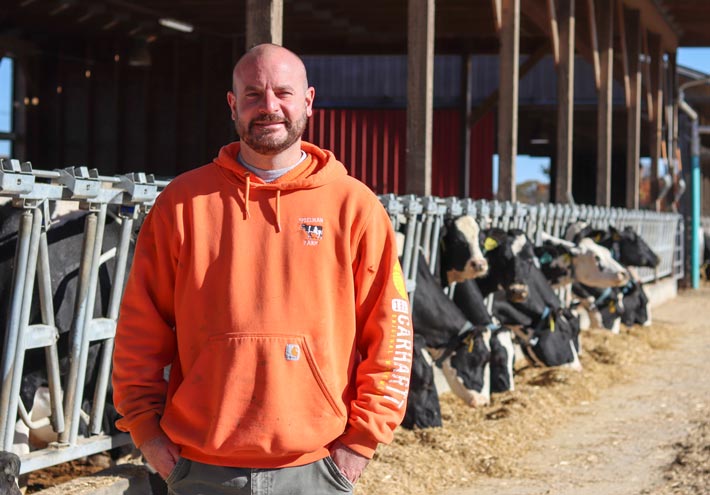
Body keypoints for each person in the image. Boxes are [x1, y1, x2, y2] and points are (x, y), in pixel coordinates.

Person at [111, 43, 413, 494]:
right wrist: (145, 432)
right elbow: (140, 325)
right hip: (200, 468)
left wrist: (361, 443)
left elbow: (391, 332)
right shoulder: (182, 203)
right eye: (253, 95)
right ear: (233, 105)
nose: (268, 107)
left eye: (282, 93)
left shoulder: (355, 207)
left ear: (308, 101)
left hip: (317, 467)